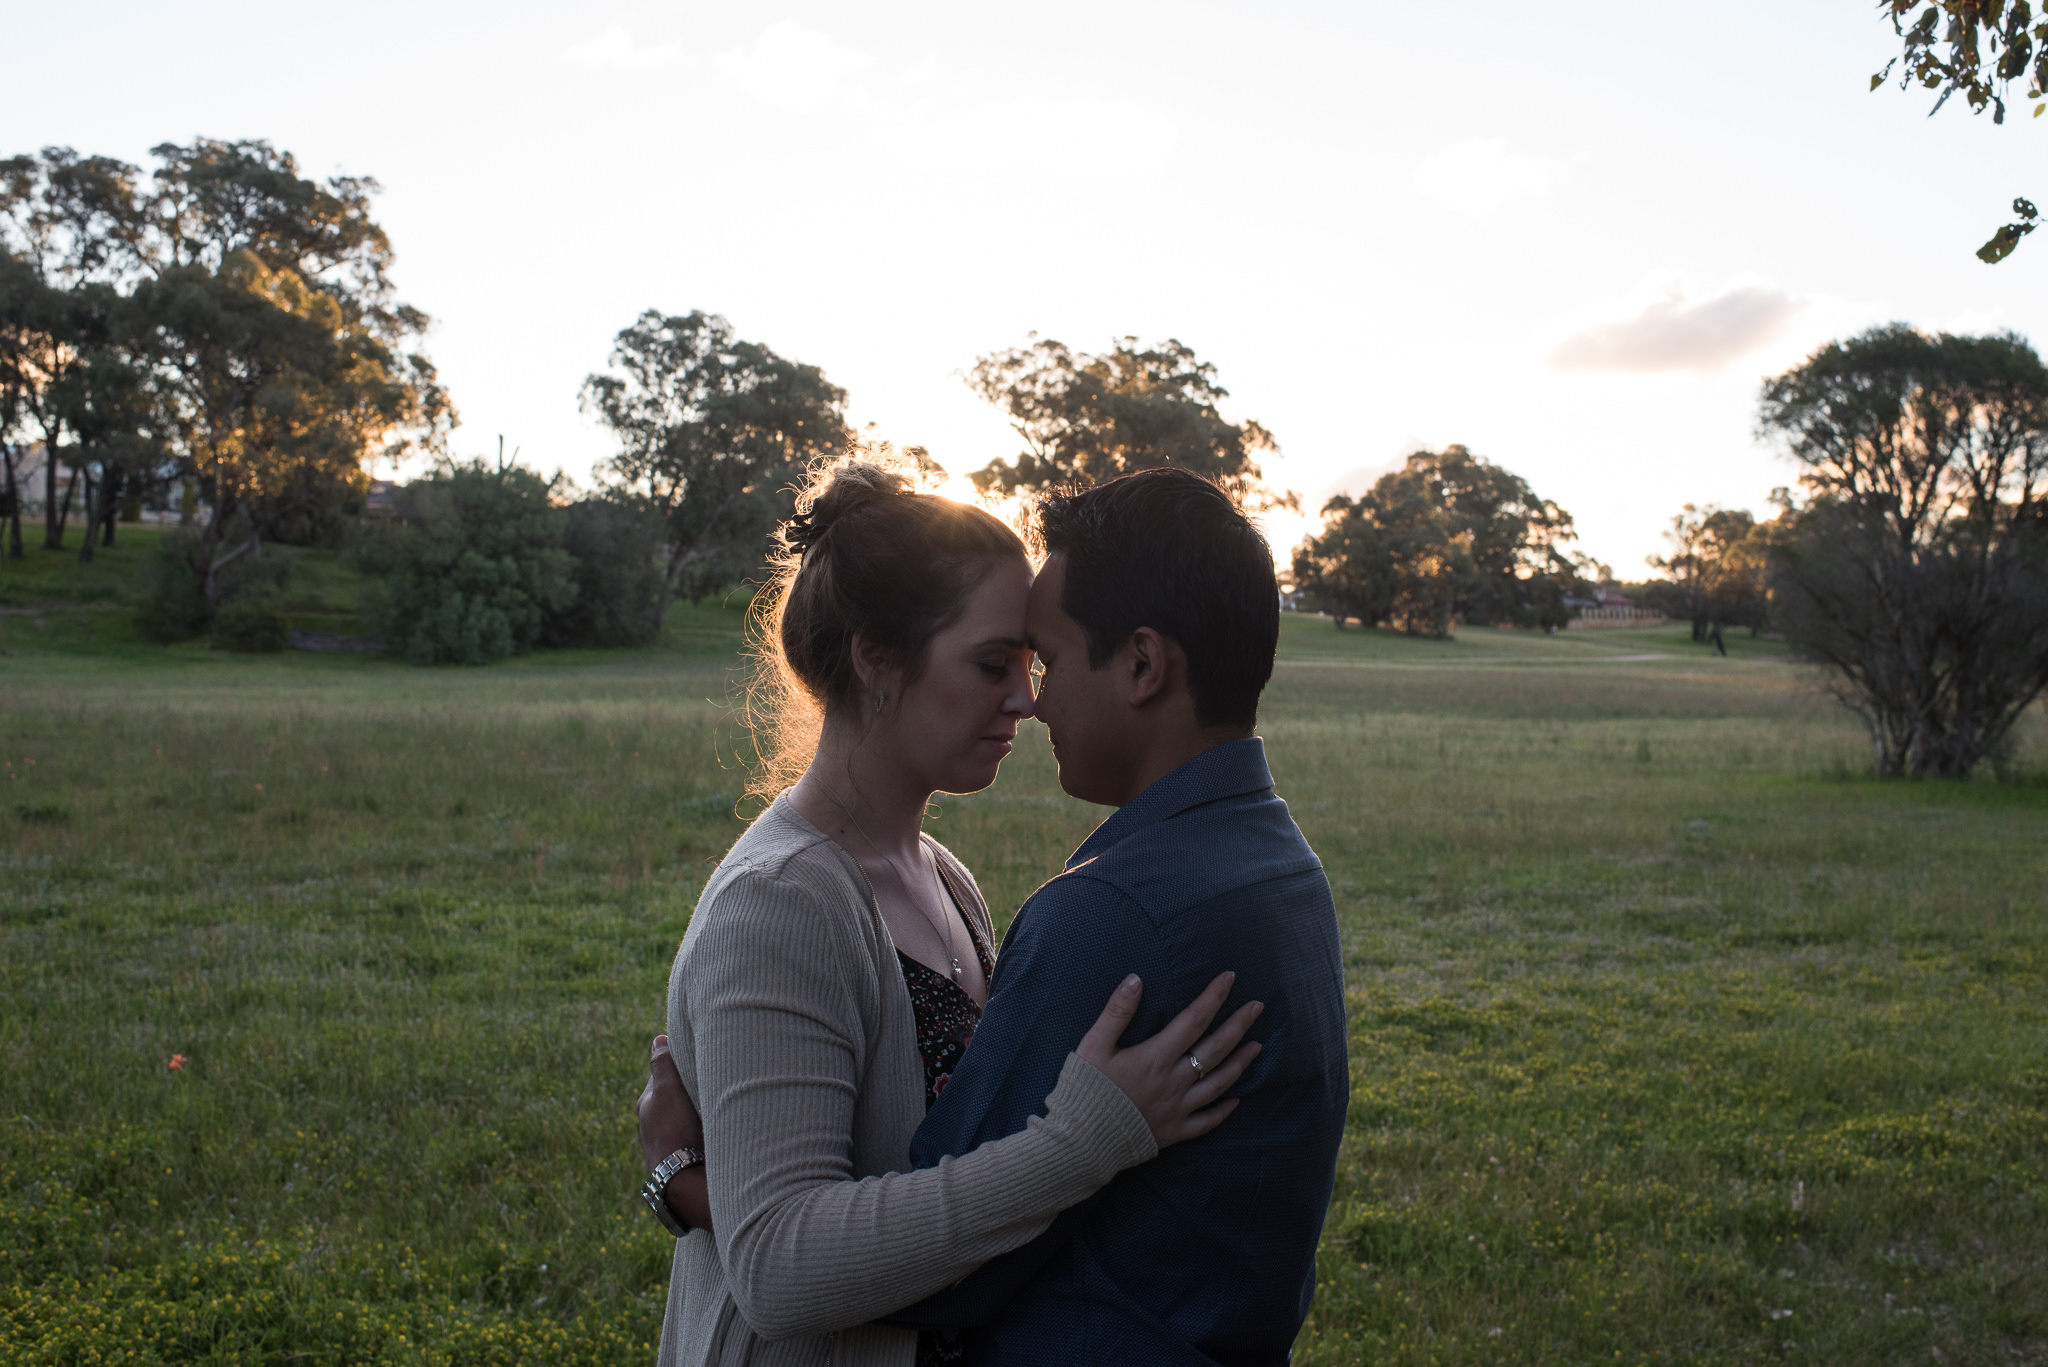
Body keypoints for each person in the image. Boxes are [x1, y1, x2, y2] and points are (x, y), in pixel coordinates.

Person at [634, 456, 1265, 1367]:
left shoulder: (942, 875)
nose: (1029, 697)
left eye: (1033, 659)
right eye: (991, 662)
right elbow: (779, 1271)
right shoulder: (781, 905)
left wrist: (685, 1182)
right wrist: (1082, 1142)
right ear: (876, 659)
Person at [889, 468, 1349, 1364]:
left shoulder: (1113, 911)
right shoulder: (1286, 868)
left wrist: (697, 1184)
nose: (1033, 699)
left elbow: (937, 1262)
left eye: (1052, 661)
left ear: (1142, 664)